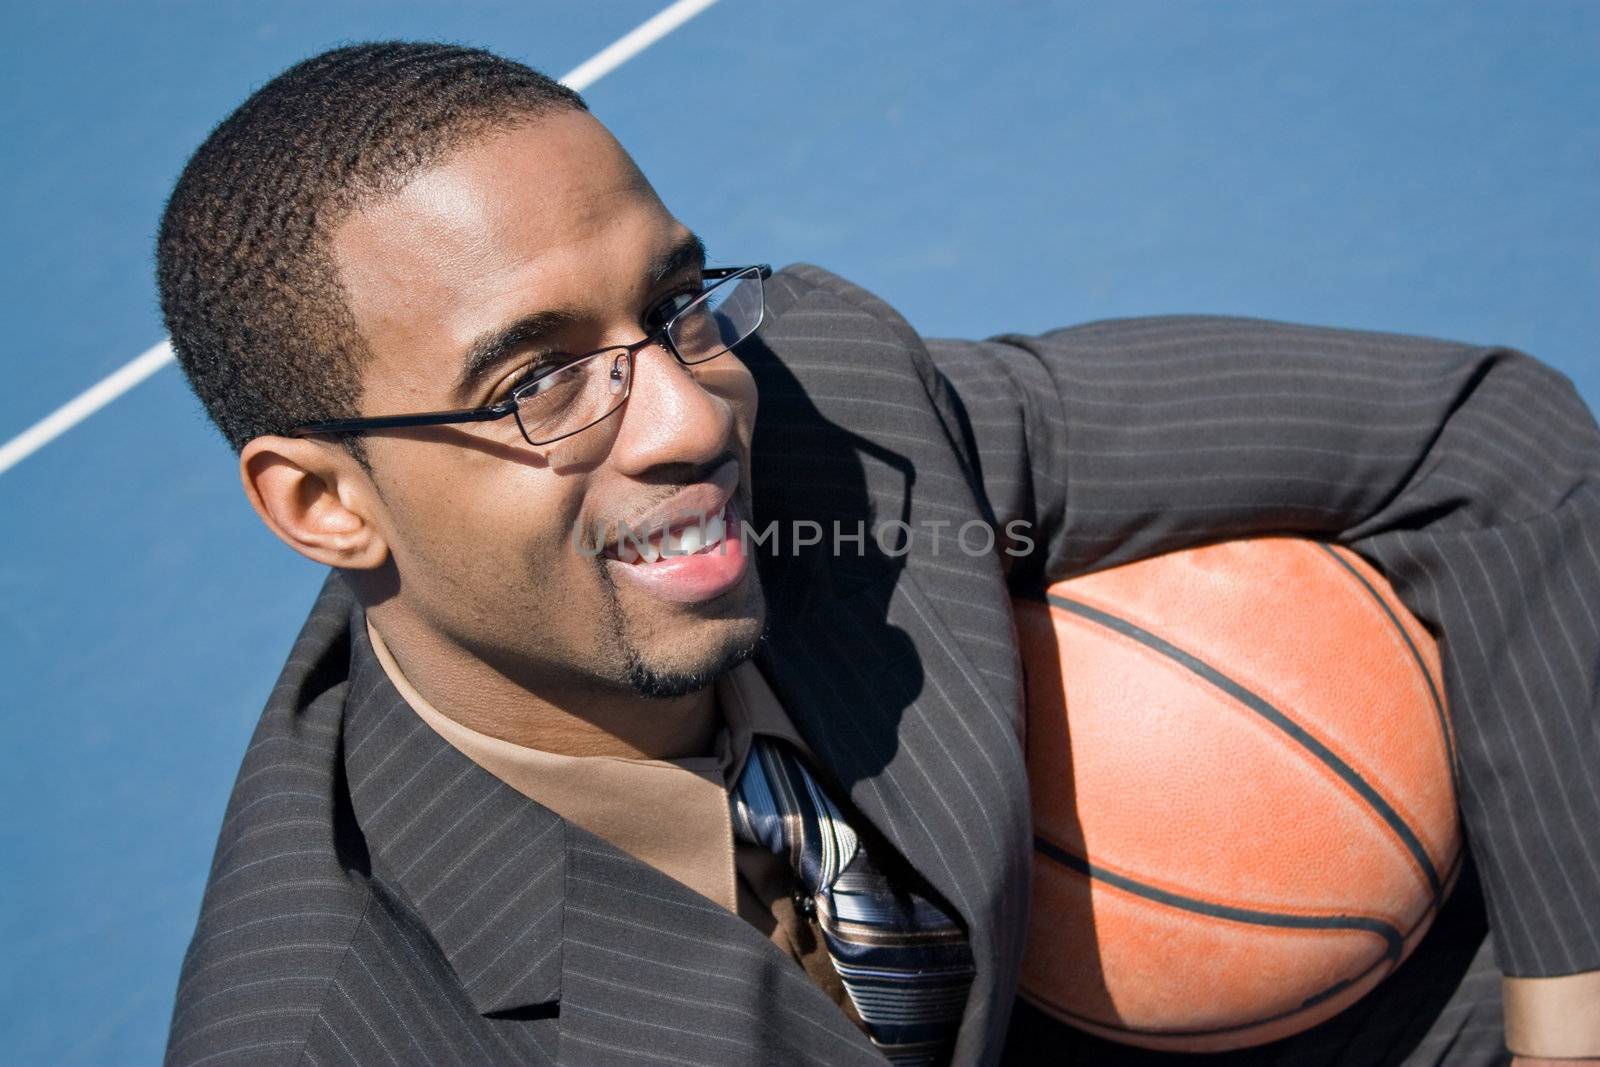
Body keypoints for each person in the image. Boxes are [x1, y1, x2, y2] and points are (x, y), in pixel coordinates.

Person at [157, 41, 1599, 1067]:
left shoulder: (825, 419)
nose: (680, 417)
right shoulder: (339, 1031)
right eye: (536, 383)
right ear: (319, 505)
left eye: (674, 305)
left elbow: (1490, 451)